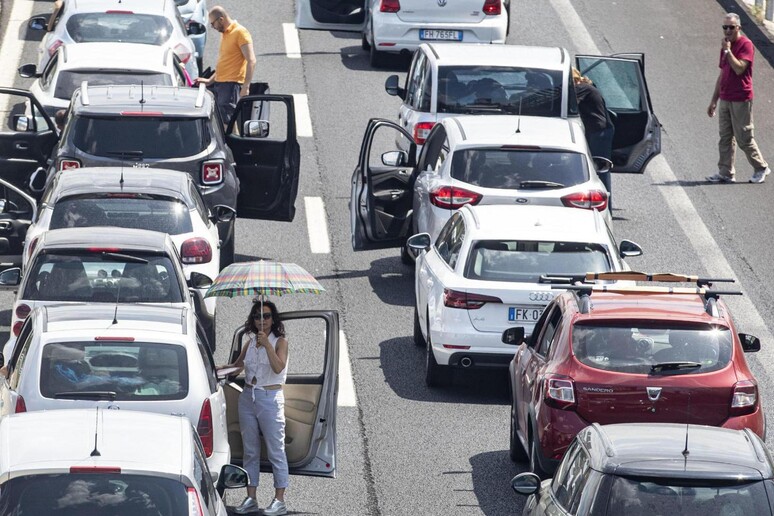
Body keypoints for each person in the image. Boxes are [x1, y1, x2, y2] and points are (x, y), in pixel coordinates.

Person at [218, 300, 289, 516]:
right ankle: (251, 497)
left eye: (266, 316)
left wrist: (267, 344)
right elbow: (237, 367)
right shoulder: (249, 342)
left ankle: (279, 499)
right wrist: (215, 368)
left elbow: (278, 367)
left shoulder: (280, 342)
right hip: (248, 396)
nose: (262, 320)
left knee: (276, 450)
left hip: (270, 396)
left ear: (273, 319)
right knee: (250, 450)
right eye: (258, 316)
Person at [706, 13, 770, 183]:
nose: (727, 31)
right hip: (726, 97)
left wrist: (728, 51)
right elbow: (722, 74)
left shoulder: (745, 45)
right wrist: (714, 100)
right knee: (725, 137)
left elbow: (739, 68)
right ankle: (725, 172)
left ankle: (761, 167)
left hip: (741, 98)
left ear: (738, 28)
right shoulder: (725, 46)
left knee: (744, 138)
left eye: (731, 27)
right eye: (724, 27)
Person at [195, 6, 256, 124]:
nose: (213, 27)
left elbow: (251, 60)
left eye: (213, 24)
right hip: (221, 85)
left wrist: (246, 86)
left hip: (231, 85)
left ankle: (232, 143)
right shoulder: (225, 34)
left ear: (221, 19)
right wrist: (209, 81)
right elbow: (226, 63)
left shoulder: (240, 33)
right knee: (222, 123)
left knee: (227, 123)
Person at [572, 68, 615, 204]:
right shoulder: (586, 87)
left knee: (599, 168)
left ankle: (604, 206)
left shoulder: (582, 88)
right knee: (597, 167)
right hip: (599, 130)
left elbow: (566, 99)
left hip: (598, 131)